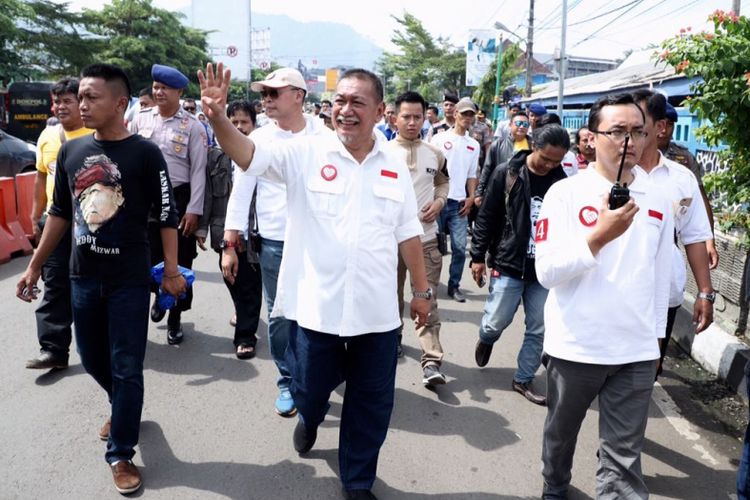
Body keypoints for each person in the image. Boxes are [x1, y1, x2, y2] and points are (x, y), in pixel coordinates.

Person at [200, 62, 431, 500]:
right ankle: (309, 413)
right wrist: (216, 117)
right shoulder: (305, 152)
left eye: (357, 102)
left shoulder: (393, 166)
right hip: (316, 310)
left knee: (371, 404)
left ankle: (358, 481)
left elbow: (408, 234)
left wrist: (421, 294)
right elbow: (248, 155)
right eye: (340, 100)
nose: (345, 109)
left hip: (376, 314)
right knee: (309, 387)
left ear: (379, 111)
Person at [16, 63, 186, 495]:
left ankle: (121, 451)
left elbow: (166, 216)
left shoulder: (146, 154)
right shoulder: (72, 152)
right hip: (82, 276)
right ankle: (124, 406)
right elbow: (60, 213)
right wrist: (34, 265)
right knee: (93, 359)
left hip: (129, 279)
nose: (82, 104)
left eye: (92, 97)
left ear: (119, 103)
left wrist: (170, 270)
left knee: (127, 366)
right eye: (81, 96)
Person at [535, 93, 673, 499]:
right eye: (617, 131)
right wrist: (597, 238)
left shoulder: (658, 198)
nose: (628, 140)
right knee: (561, 435)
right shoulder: (565, 194)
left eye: (638, 131)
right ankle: (555, 484)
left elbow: (661, 276)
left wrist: (656, 342)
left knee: (624, 459)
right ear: (592, 138)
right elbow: (546, 271)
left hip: (635, 352)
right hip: (576, 348)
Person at [224, 67, 332, 417]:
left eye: (274, 93)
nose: (266, 100)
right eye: (264, 94)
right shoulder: (260, 139)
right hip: (274, 241)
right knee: (280, 315)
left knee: (317, 312)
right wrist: (230, 241)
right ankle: (287, 380)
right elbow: (242, 190)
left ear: (298, 96)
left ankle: (314, 378)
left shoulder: (326, 136)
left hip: (318, 239)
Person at [470, 125, 570, 406]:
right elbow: (487, 217)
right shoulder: (508, 173)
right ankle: (487, 337)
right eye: (546, 158)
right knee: (496, 321)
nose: (550, 165)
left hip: (544, 270)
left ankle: (523, 378)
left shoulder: (562, 183)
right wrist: (477, 256)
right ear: (533, 146)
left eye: (557, 161)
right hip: (509, 262)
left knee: (539, 327)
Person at [631, 89, 714, 379]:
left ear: (661, 127)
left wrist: (706, 293)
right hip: (613, 291)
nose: (629, 132)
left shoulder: (682, 178)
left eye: (638, 123)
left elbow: (694, 236)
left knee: (646, 372)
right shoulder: (611, 174)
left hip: (662, 292)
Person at [129, 64, 208, 345]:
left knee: (180, 260)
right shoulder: (139, 119)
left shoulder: (193, 126)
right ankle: (158, 296)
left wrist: (194, 210)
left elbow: (199, 170)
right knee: (146, 256)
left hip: (178, 198)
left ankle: (175, 318)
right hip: (146, 198)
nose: (158, 92)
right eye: (156, 87)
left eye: (165, 88)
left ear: (179, 92)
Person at [26, 78, 94, 370]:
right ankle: (53, 349)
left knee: (92, 283)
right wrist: (34, 214)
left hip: (91, 224)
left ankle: (100, 342)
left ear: (81, 104)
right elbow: (41, 176)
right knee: (54, 282)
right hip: (54, 222)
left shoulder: (96, 134)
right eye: (57, 101)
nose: (60, 106)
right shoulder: (47, 136)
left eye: (67, 101)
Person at [387, 90, 450, 385]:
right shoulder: (381, 153)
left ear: (425, 117)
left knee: (427, 298)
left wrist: (438, 203)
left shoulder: (435, 153)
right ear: (393, 118)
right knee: (389, 298)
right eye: (406, 116)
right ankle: (393, 338)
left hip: (425, 239)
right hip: (388, 242)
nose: (412, 122)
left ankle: (431, 361)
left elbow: (443, 182)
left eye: (418, 116)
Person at [196, 100, 262, 359]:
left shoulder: (261, 156)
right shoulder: (214, 157)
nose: (238, 127)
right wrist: (202, 229)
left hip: (253, 234)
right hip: (222, 231)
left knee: (250, 284)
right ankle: (242, 309)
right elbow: (208, 195)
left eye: (244, 122)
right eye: (232, 122)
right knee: (231, 277)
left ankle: (245, 336)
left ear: (254, 125)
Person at [430, 97, 480, 302]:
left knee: (459, 248)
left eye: (471, 114)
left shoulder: (473, 145)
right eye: (464, 113)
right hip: (437, 200)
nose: (467, 118)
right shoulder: (439, 139)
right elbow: (430, 169)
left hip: (459, 203)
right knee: (432, 248)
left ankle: (454, 286)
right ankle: (429, 287)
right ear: (455, 114)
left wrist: (470, 197)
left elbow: (472, 174)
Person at [659, 102, 719, 270]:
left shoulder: (684, 157)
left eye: (669, 125)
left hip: (672, 232)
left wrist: (709, 240)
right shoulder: (634, 155)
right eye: (660, 124)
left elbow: (698, 199)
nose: (664, 130)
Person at [475, 111, 530, 205]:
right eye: (518, 123)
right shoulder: (497, 145)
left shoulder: (533, 146)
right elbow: (487, 169)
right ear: (510, 125)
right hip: (501, 192)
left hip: (524, 194)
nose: (521, 127)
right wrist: (479, 193)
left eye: (525, 124)